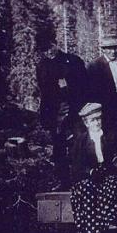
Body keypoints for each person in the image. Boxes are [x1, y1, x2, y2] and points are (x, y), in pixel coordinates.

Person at [69, 103, 117, 233]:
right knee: (85, 188)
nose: (96, 122)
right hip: (92, 176)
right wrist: (90, 172)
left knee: (111, 185)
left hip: (110, 173)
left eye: (98, 119)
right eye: (93, 120)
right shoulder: (81, 140)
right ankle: (97, 232)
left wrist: (112, 167)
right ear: (86, 123)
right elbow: (77, 164)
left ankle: (113, 226)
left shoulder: (109, 136)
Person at [37, 42, 87, 189]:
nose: (48, 52)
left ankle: (81, 179)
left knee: (79, 145)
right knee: (59, 148)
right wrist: (47, 116)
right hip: (55, 114)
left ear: (55, 44)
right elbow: (44, 93)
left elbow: (85, 88)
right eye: (43, 50)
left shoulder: (73, 61)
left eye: (49, 47)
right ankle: (63, 181)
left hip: (75, 112)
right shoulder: (42, 66)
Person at [86, 35, 117, 134]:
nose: (113, 51)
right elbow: (91, 94)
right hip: (104, 112)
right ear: (103, 49)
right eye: (109, 48)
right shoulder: (94, 66)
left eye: (115, 48)